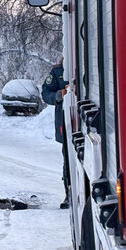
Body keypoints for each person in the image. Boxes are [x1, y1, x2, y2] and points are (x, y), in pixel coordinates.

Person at [42, 59, 70, 209]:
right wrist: (57, 96)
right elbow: (46, 92)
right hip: (65, 123)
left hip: (87, 122)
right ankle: (69, 194)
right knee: (69, 160)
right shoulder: (58, 72)